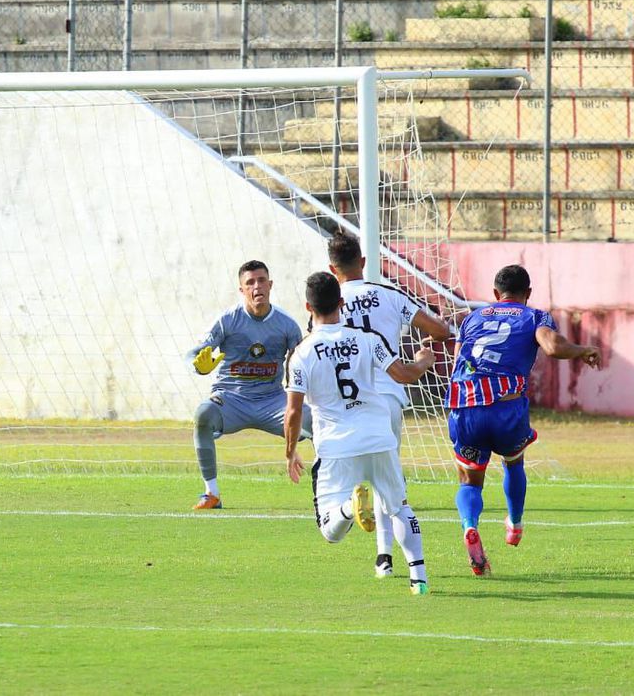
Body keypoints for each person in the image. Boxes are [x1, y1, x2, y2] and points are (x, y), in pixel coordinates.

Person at [284, 271, 437, 596]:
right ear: (341, 303)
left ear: (307, 307)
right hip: (379, 438)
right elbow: (404, 374)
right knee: (399, 507)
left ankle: (348, 508)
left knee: (330, 531)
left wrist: (289, 452)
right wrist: (423, 361)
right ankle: (419, 579)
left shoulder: (302, 354)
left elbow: (294, 411)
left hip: (338, 448)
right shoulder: (367, 338)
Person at [447, 264, 601, 575]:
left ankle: (469, 525)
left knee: (470, 479)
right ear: (527, 294)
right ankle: (514, 524)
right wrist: (583, 349)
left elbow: (456, 365)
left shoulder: (472, 318)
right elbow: (552, 346)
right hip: (506, 407)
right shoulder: (534, 316)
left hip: (466, 405)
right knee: (513, 462)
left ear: (494, 294)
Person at [326, 230, 452, 579]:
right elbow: (438, 329)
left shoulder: (329, 304)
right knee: (389, 481)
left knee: (360, 478)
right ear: (363, 262)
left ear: (331, 268)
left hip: (346, 402)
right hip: (389, 395)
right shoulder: (389, 295)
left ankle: (380, 553)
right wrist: (428, 348)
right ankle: (401, 562)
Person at [187, 260, 312, 510]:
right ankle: (211, 493)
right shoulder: (227, 321)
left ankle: (332, 491)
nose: (257, 287)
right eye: (250, 283)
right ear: (242, 290)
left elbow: (302, 362)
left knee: (317, 419)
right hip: (231, 399)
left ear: (271, 284)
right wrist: (198, 365)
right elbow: (194, 354)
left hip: (272, 400)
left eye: (262, 280)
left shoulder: (286, 325)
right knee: (203, 414)